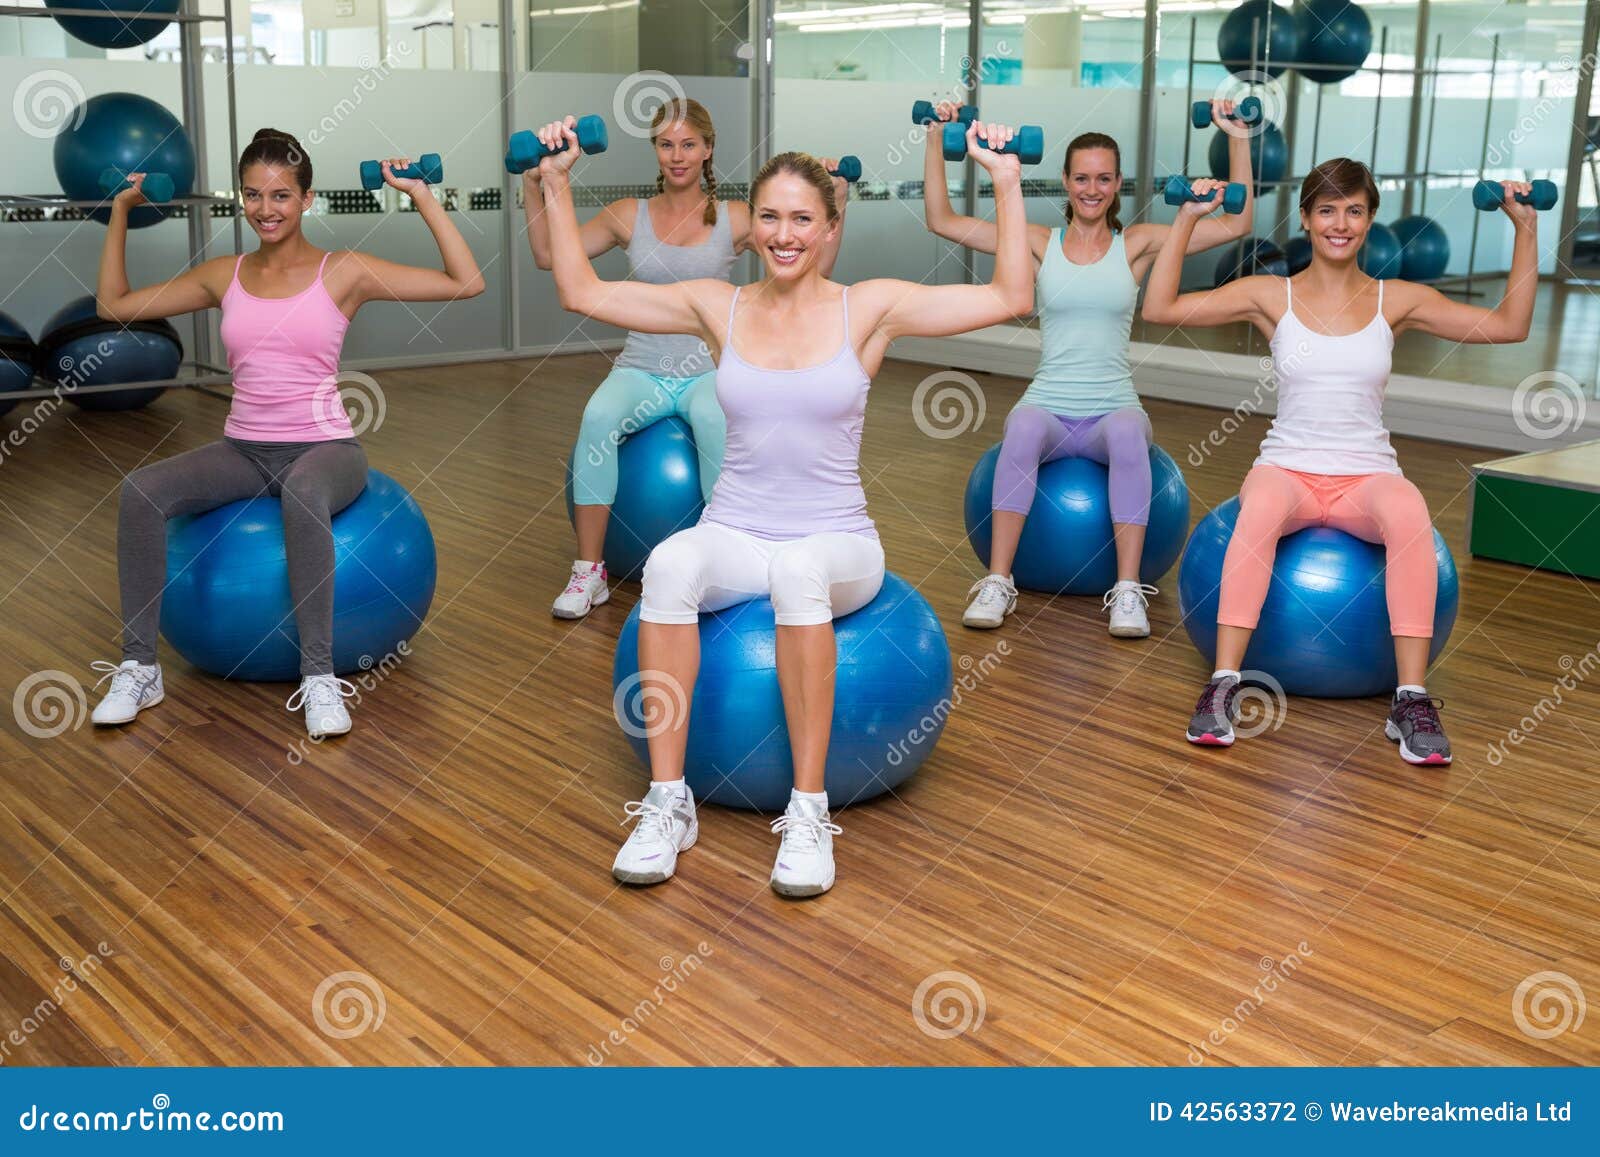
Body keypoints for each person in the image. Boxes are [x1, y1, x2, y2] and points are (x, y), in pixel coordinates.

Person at [539, 115, 1032, 896]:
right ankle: (669, 802)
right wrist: (556, 182)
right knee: (669, 561)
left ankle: (808, 810)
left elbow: (1009, 295)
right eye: (769, 216)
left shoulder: (866, 308)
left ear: (831, 227)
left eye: (803, 217)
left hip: (837, 539)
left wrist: (1005, 181)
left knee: (800, 567)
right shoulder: (718, 306)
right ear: (752, 225)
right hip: (737, 527)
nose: (784, 233)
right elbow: (581, 289)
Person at [89, 128, 485, 738]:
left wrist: (418, 194)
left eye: (279, 195)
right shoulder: (226, 275)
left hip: (327, 449)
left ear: (306, 199)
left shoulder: (344, 272)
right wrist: (120, 211)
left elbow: (466, 281)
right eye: (252, 195)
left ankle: (320, 677)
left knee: (303, 493)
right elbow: (113, 306)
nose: (265, 209)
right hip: (244, 449)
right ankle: (141, 667)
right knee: (141, 492)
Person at [1142, 157, 1539, 763]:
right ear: (1306, 218)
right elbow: (1160, 308)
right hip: (1287, 467)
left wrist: (1527, 228)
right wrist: (1188, 220)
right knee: (1258, 513)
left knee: (1408, 511)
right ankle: (1223, 683)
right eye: (1327, 210)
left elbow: (1510, 325)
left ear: (1370, 219)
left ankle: (1410, 698)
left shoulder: (1396, 300)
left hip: (1367, 474)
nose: (1340, 224)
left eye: (1354, 211)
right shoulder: (1268, 294)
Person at [925, 100, 1256, 637]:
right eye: (1082, 177)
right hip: (1050, 403)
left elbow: (1238, 220)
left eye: (1104, 178)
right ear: (1064, 180)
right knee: (1022, 426)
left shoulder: (1140, 243)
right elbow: (941, 220)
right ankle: (998, 581)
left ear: (1119, 182)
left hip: (1113, 406)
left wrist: (1237, 136)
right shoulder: (1036, 242)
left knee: (1129, 432)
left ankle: (1127, 591)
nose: (1092, 189)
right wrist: (936, 137)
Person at [523, 99, 850, 620]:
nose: (677, 156)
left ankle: (726, 565)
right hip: (641, 366)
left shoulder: (737, 217)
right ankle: (590, 572)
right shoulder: (628, 214)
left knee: (721, 431)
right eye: (666, 144)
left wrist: (839, 203)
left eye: (688, 144)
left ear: (708, 149)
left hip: (709, 371)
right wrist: (534, 180)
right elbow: (548, 255)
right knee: (597, 419)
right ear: (655, 149)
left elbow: (814, 267)